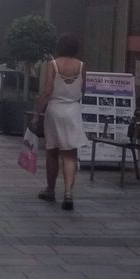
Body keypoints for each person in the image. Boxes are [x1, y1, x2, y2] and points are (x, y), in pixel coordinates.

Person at [33, 33, 86, 211]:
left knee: (52, 151)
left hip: (55, 110)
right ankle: (68, 193)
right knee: (70, 154)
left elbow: (47, 90)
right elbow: (83, 89)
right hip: (73, 111)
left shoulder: (53, 64)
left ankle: (50, 189)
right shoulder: (81, 66)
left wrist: (36, 113)